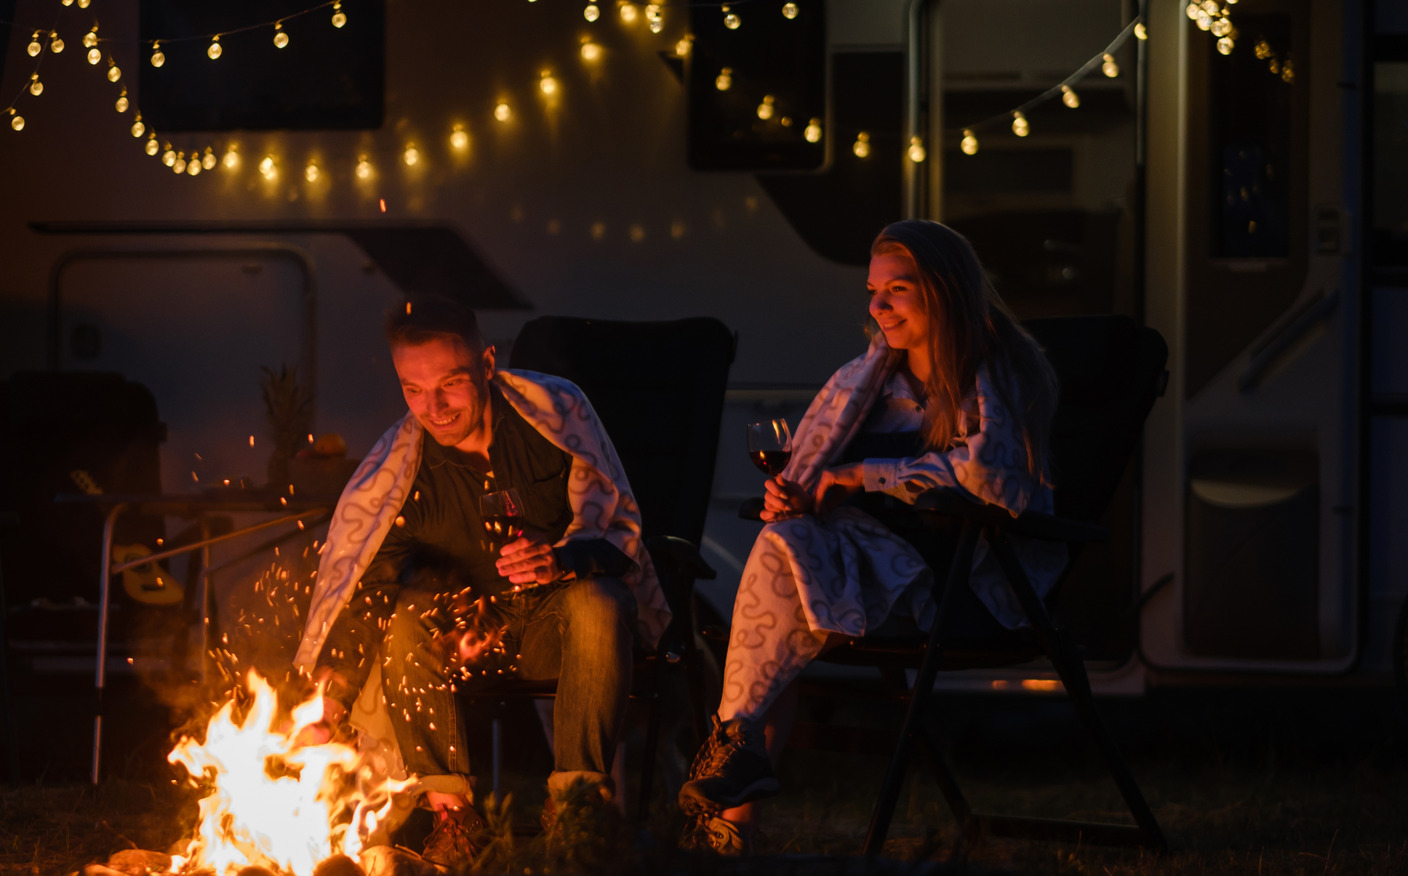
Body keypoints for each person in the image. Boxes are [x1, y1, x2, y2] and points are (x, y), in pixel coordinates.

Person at [678, 219, 1064, 854]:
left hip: (949, 584)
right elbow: (809, 465)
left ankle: (726, 792)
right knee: (784, 551)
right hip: (861, 569)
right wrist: (795, 491)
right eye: (872, 291)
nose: (877, 306)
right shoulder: (867, 380)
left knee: (782, 590)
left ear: (943, 292)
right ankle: (732, 806)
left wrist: (864, 473)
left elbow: (994, 480)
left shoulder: (993, 374)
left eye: (898, 290)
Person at [292, 294, 670, 868]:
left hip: (559, 628)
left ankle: (576, 811)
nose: (434, 407)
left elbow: (620, 540)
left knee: (600, 598)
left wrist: (562, 560)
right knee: (403, 622)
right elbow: (371, 586)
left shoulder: (553, 416)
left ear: (488, 364)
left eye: (451, 384)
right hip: (476, 641)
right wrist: (332, 695)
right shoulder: (403, 470)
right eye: (412, 390)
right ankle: (453, 819)